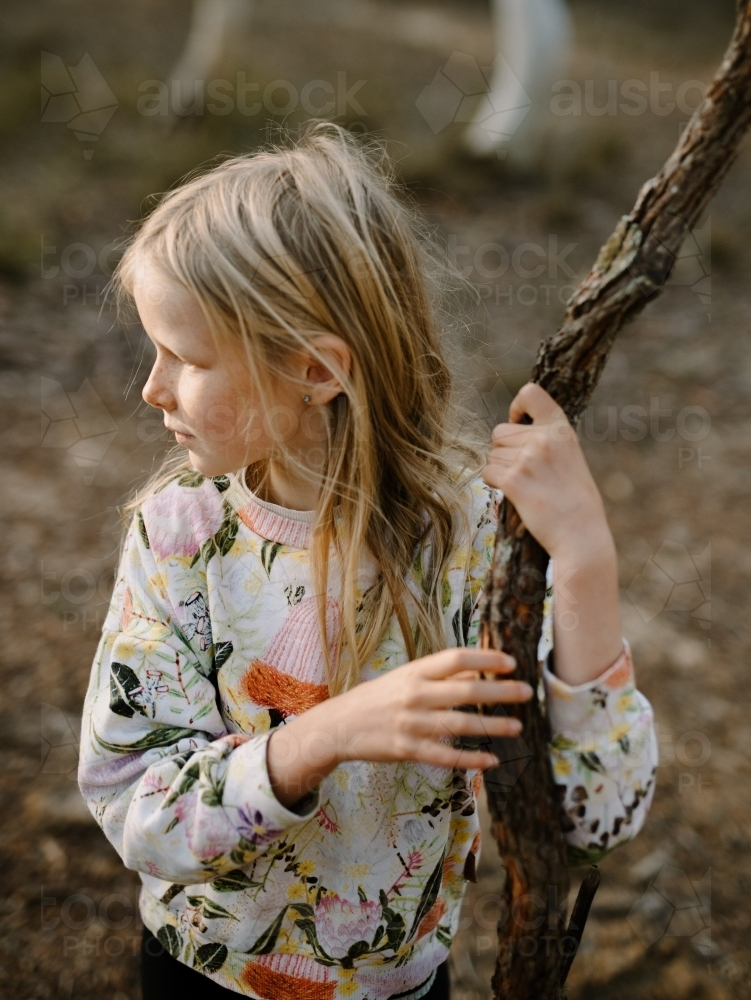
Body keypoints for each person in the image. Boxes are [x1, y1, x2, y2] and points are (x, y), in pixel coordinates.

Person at [78, 124, 657, 1000]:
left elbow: (592, 820)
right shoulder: (180, 540)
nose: (152, 389)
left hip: (400, 990)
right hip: (205, 975)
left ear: (314, 370)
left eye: (187, 358)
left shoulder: (471, 544)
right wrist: (319, 740)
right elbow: (135, 808)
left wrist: (583, 559)